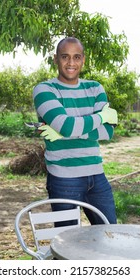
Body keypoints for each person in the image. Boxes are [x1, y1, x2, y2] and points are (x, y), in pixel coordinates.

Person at [32, 37, 118, 226]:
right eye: (65, 57)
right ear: (56, 59)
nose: (71, 63)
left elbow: (107, 133)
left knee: (110, 235)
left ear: (83, 59)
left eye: (76, 57)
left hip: (97, 176)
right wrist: (102, 117)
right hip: (64, 178)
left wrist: (64, 132)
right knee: (66, 242)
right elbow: (68, 126)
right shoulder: (44, 89)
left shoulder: (95, 88)